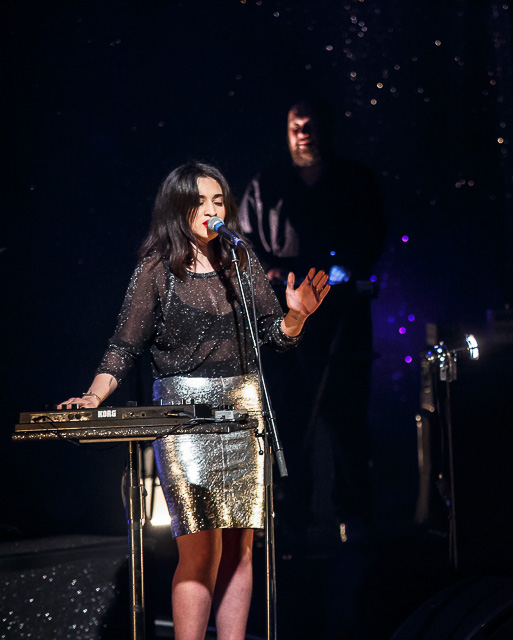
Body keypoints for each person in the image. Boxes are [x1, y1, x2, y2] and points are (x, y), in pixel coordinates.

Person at [59, 161, 331, 640]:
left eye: (218, 201)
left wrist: (296, 318)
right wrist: (93, 395)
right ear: (177, 209)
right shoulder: (156, 270)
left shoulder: (240, 261)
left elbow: (275, 334)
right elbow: (124, 347)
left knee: (241, 549)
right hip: (184, 419)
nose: (211, 211)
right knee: (201, 549)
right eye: (199, 202)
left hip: (243, 411)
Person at [237, 98, 385, 544]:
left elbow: (373, 237)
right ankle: (290, 519)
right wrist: (270, 272)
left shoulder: (355, 179)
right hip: (287, 319)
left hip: (342, 318)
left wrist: (345, 271)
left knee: (347, 418)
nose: (303, 134)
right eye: (295, 126)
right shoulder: (266, 183)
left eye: (310, 126)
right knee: (286, 417)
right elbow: (245, 243)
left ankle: (355, 519)